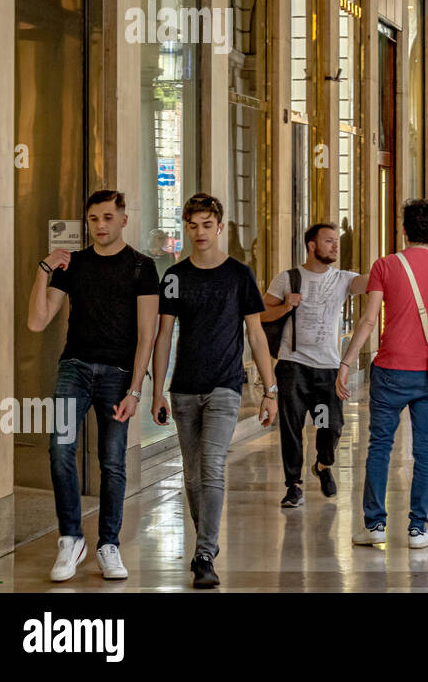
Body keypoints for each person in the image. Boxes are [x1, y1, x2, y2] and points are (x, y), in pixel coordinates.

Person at [27, 190, 160, 582]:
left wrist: (136, 390)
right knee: (60, 447)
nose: (99, 226)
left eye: (106, 217)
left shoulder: (141, 267)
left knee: (113, 462)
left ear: (122, 219)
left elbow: (147, 334)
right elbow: (37, 321)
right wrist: (43, 270)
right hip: (75, 368)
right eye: (93, 219)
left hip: (119, 375)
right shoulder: (74, 265)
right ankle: (71, 538)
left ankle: (108, 544)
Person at [150, 193, 277, 589]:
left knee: (212, 466)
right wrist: (157, 391)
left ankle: (204, 552)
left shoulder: (240, 275)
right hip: (184, 389)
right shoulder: (174, 276)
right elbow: (163, 335)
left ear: (219, 227)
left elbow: (256, 335)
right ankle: (206, 541)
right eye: (192, 225)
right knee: (191, 477)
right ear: (186, 228)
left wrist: (269, 391)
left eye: (207, 225)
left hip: (225, 386)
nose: (199, 232)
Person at [338, 199, 428, 549]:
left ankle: (375, 525)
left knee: (380, 445)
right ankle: (417, 529)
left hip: (390, 369)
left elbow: (367, 321)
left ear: (404, 229)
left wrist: (346, 362)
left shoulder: (385, 266)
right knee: (426, 450)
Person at [260, 223, 368, 508]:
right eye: (329, 241)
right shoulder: (288, 278)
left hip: (327, 369)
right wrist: (284, 307)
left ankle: (322, 464)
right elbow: (260, 314)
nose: (335, 246)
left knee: (329, 424)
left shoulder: (344, 278)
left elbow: (372, 282)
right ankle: (293, 485)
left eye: (336, 242)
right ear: (311, 245)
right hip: (292, 365)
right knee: (292, 427)